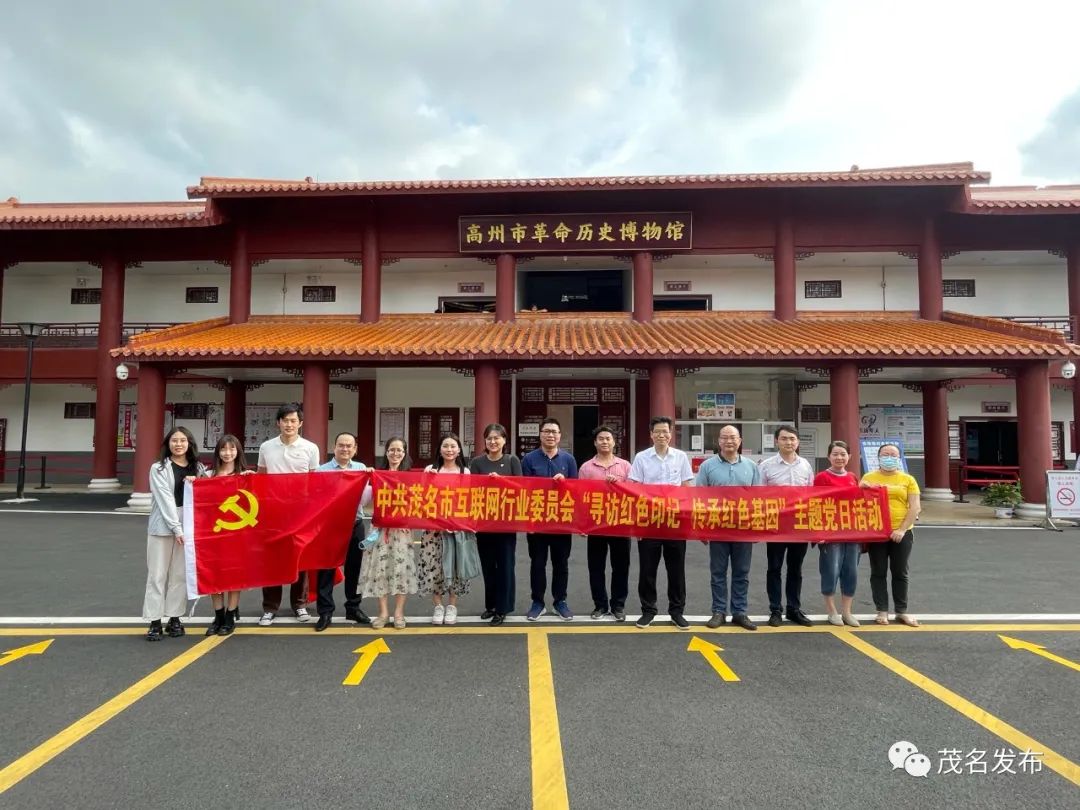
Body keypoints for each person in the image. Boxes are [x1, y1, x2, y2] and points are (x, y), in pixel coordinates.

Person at [256, 403, 321, 626]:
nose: (289, 424)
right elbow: (261, 478)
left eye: (293, 421)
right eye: (285, 420)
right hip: (274, 511)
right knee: (272, 559)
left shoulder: (310, 448)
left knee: (299, 559)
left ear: (300, 423)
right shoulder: (266, 447)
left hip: (300, 512)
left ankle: (300, 605)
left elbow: (314, 481)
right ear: (278, 423)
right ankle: (270, 607)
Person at [628, 416, 694, 629]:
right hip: (649, 522)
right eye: (657, 432)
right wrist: (637, 522)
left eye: (665, 431)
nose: (662, 435)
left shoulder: (681, 457)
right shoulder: (641, 457)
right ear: (651, 434)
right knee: (648, 569)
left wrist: (687, 517)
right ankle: (648, 610)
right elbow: (635, 489)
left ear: (671, 433)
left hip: (674, 522)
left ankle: (677, 611)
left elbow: (686, 487)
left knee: (677, 570)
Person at [695, 424, 762, 631]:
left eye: (733, 437)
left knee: (742, 572)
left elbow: (758, 499)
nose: (729, 441)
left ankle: (740, 612)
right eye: (724, 437)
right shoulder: (707, 466)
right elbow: (700, 498)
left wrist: (756, 528)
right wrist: (702, 528)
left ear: (740, 441)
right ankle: (718, 611)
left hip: (743, 529)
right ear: (719, 441)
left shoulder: (751, 466)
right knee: (718, 572)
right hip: (717, 528)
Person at [143, 426, 207, 641]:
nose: (178, 444)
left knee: (180, 575)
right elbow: (165, 501)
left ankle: (174, 617)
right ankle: (154, 620)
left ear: (189, 443)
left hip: (188, 525)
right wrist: (176, 528)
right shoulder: (158, 468)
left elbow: (213, 486)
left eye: (182, 440)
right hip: (163, 526)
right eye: (174, 440)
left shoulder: (198, 468)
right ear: (167, 444)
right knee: (157, 575)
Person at [521, 417, 579, 621]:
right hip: (537, 521)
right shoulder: (529, 459)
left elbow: (576, 491)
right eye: (547, 431)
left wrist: (565, 484)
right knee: (537, 563)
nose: (550, 435)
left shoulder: (568, 460)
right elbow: (525, 491)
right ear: (541, 435)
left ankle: (560, 601)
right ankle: (538, 602)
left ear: (560, 436)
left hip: (561, 521)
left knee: (560, 564)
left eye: (554, 432)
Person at [313, 432, 371, 631]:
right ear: (334, 447)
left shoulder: (361, 468)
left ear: (355, 449)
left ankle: (353, 608)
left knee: (355, 568)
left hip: (355, 524)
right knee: (326, 569)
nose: (345, 449)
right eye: (341, 445)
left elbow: (365, 498)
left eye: (349, 446)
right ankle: (325, 611)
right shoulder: (321, 471)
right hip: (330, 525)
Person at [758, 425, 815, 627]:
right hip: (776, 525)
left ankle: (794, 609)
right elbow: (759, 497)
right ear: (776, 441)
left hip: (799, 526)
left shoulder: (805, 465)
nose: (788, 442)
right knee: (774, 568)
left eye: (792, 439)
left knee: (795, 569)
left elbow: (811, 496)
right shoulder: (766, 466)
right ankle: (775, 610)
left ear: (797, 442)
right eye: (784, 439)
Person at [860, 443, 921, 627]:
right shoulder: (869, 477)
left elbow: (915, 507)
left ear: (899, 458)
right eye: (885, 454)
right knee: (878, 571)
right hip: (877, 532)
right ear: (878, 457)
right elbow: (858, 503)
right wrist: (861, 488)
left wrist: (901, 529)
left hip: (902, 533)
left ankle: (901, 611)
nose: (889, 457)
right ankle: (882, 610)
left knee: (900, 572)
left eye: (893, 454)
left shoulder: (908, 479)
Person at [360, 437, 418, 629]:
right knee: (380, 570)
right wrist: (366, 478)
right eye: (392, 450)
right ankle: (383, 613)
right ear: (386, 452)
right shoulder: (378, 475)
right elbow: (364, 501)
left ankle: (399, 613)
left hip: (402, 531)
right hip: (379, 529)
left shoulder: (411, 477)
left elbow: (421, 501)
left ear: (405, 453)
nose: (395, 453)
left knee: (401, 571)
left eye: (399, 450)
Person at [469, 424, 522, 626]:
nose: (493, 442)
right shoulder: (477, 462)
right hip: (484, 522)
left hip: (506, 523)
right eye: (489, 438)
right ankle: (490, 605)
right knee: (488, 566)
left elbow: (521, 488)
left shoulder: (512, 460)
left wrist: (502, 482)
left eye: (497, 438)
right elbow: (472, 490)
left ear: (504, 441)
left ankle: (503, 608)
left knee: (506, 567)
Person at [578, 425, 633, 621]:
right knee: (596, 566)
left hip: (620, 523)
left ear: (614, 442)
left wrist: (619, 485)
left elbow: (634, 493)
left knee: (621, 566)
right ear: (595, 443)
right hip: (596, 524)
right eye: (600, 439)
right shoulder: (586, 468)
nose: (604, 442)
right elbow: (581, 497)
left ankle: (618, 605)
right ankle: (600, 605)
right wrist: (582, 525)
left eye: (608, 438)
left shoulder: (625, 466)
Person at [418, 433, 471, 625]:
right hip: (433, 528)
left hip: (456, 528)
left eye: (453, 446)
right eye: (445, 446)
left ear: (458, 450)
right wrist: (428, 479)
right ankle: (438, 606)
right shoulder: (430, 470)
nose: (449, 450)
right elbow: (422, 497)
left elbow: (468, 500)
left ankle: (452, 606)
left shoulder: (465, 472)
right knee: (435, 566)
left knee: (455, 567)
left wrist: (457, 522)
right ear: (439, 450)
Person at [204, 434, 253, 636]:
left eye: (232, 449)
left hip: (237, 534)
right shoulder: (207, 476)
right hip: (213, 533)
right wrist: (193, 482)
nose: (227, 453)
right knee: (213, 573)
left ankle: (231, 614)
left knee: (234, 573)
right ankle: (218, 614)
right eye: (223, 449)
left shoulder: (246, 476)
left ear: (238, 451)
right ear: (218, 452)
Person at [814, 440, 861, 627]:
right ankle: (831, 610)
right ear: (828, 457)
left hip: (852, 532)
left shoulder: (852, 477)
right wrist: (819, 531)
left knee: (851, 571)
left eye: (843, 454)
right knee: (831, 570)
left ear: (849, 457)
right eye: (835, 454)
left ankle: (847, 612)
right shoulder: (821, 477)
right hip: (830, 533)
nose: (839, 458)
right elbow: (815, 505)